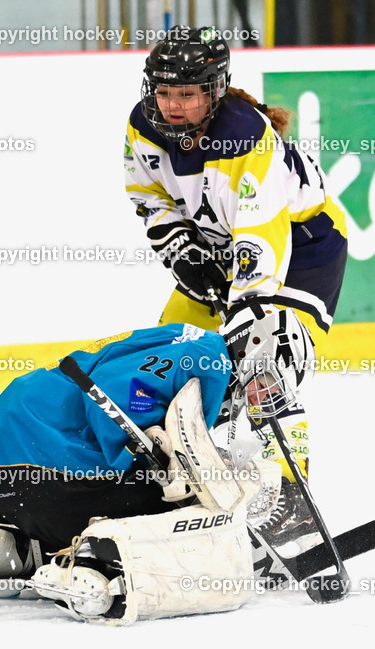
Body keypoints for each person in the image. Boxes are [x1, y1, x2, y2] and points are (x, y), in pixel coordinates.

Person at [124, 26, 348, 548]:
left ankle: (290, 503)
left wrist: (248, 311)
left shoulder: (247, 136)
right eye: (163, 91)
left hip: (301, 248)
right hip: (217, 250)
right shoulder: (141, 126)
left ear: (215, 91)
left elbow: (262, 232)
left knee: (264, 363)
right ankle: (177, 496)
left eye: (187, 94)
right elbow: (148, 195)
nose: (172, 105)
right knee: (160, 371)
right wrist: (182, 250)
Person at [0, 323, 273, 624]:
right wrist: (153, 450)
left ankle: (10, 542)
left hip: (12, 463)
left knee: (169, 487)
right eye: (268, 382)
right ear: (252, 349)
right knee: (176, 505)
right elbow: (116, 390)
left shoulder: (199, 342)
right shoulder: (207, 358)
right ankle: (91, 560)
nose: (265, 396)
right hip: (46, 451)